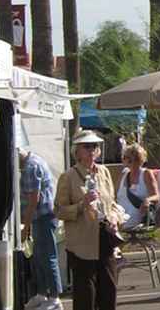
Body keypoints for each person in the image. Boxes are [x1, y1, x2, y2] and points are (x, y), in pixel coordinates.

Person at [55, 130, 122, 310]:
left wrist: (114, 218)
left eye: (94, 146)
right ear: (77, 151)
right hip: (81, 242)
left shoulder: (104, 172)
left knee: (109, 288)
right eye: (87, 146)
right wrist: (81, 205)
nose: (92, 150)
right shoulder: (68, 177)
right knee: (86, 294)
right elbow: (59, 211)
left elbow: (112, 203)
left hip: (105, 236)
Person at [19, 148, 63, 310]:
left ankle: (55, 297)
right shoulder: (34, 160)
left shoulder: (31, 167)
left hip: (43, 217)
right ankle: (43, 293)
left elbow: (33, 200)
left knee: (48, 257)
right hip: (41, 217)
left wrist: (26, 226)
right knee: (39, 257)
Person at [116, 144, 160, 228]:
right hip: (119, 212)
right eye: (124, 157)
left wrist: (147, 200)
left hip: (135, 215)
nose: (124, 160)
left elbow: (157, 196)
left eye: (127, 158)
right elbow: (114, 194)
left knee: (112, 224)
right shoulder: (124, 173)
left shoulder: (146, 174)